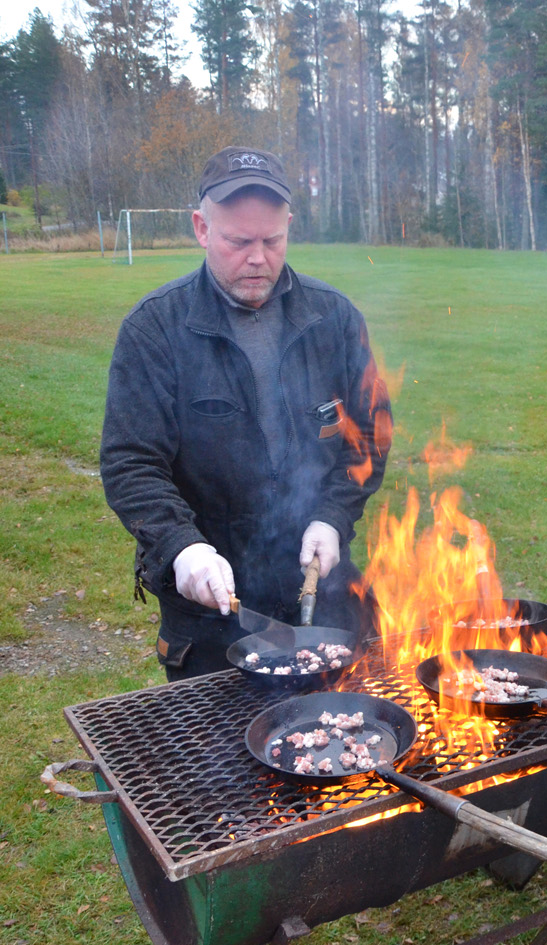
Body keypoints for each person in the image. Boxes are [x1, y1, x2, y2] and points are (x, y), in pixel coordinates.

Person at [101, 146, 391, 680]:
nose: (257, 258)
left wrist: (333, 514)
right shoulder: (154, 330)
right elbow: (130, 462)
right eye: (239, 242)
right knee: (221, 758)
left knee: (348, 737)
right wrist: (180, 547)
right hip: (212, 612)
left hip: (324, 589)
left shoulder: (334, 318)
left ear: (289, 229)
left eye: (271, 241)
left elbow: (370, 432)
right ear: (202, 228)